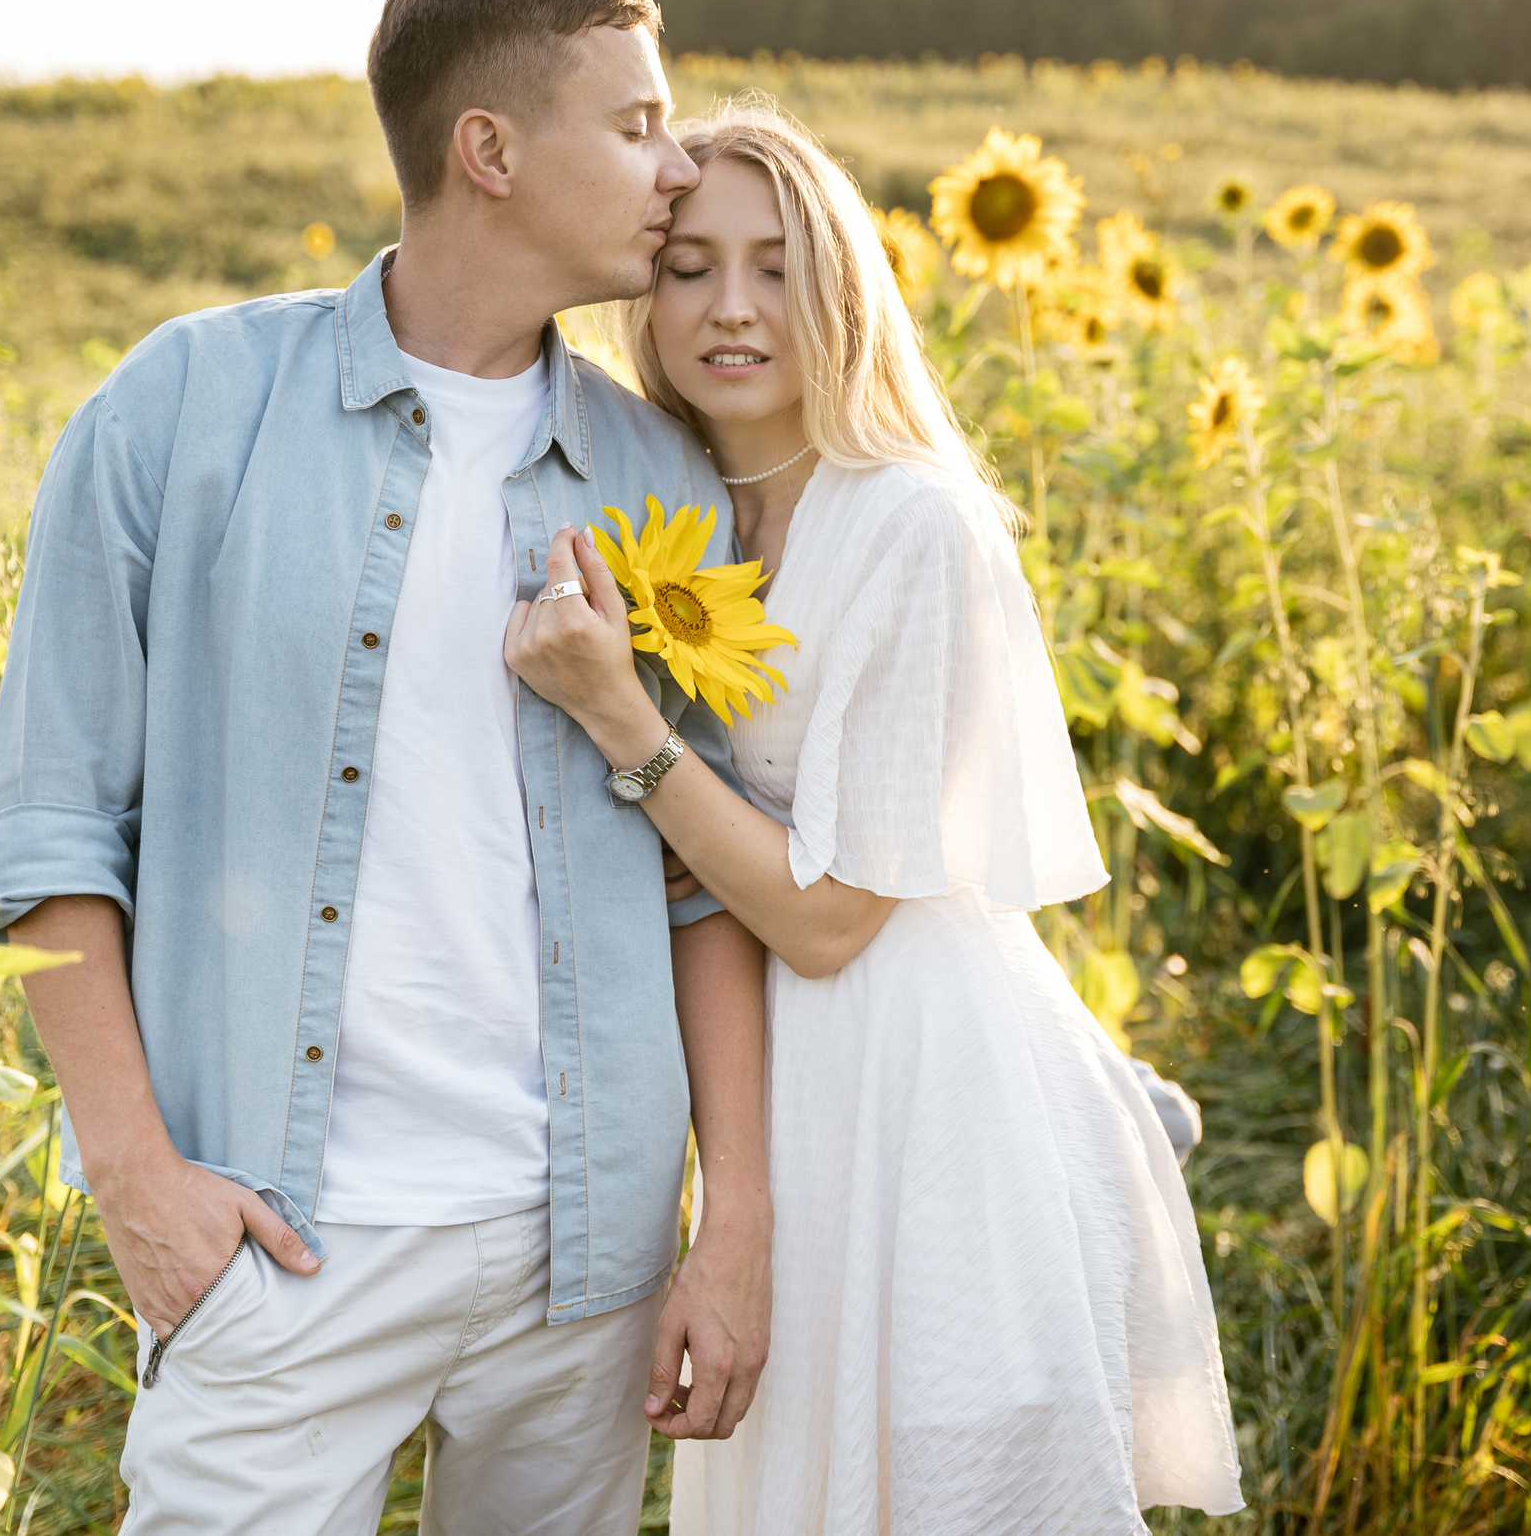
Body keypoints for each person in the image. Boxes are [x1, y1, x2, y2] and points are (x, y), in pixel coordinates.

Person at [0, 0, 772, 1534]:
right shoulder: (182, 408)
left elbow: (699, 887)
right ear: (489, 151)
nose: (677, 172)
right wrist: (137, 1180)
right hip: (276, 1245)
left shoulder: (659, 478)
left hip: (583, 1262)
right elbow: (51, 829)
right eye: (635, 128)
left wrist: (727, 1220)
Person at [506, 97, 1243, 1534]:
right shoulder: (678, 518)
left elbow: (836, 919)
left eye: (777, 267)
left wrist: (624, 720)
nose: (731, 309)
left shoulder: (913, 522)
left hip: (921, 1090)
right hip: (771, 1090)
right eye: (690, 265)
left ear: (841, 289)